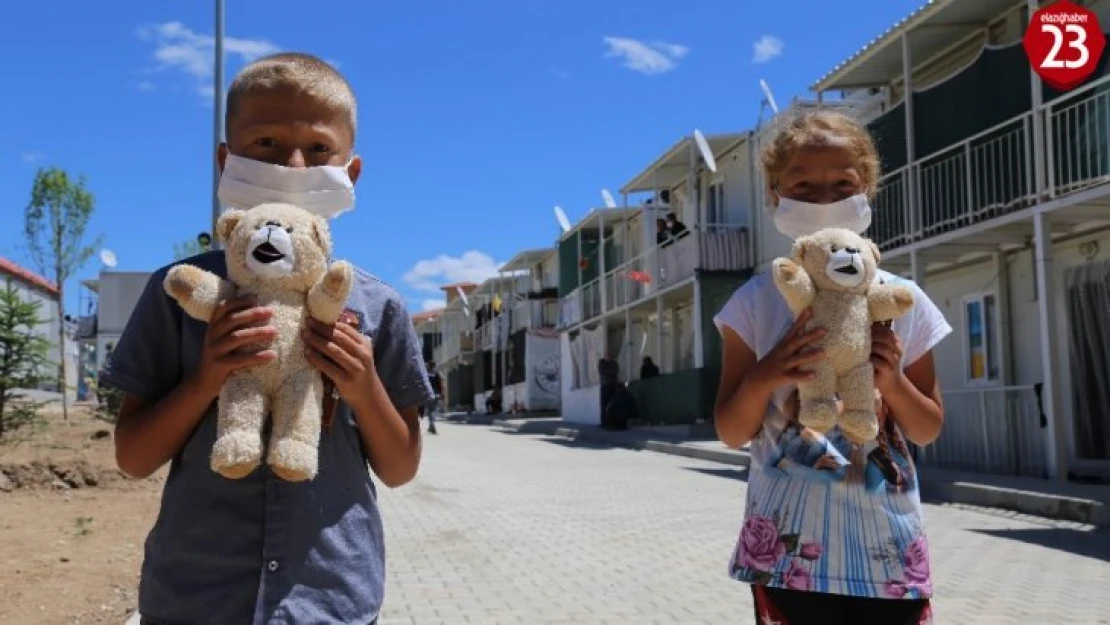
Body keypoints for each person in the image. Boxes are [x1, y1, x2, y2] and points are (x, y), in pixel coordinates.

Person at [102, 53, 434, 624]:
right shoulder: (178, 294)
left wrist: (362, 387)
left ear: (350, 172)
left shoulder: (378, 306)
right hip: (196, 597)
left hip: (329, 598)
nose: (294, 164)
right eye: (268, 144)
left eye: (319, 149)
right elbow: (133, 456)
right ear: (225, 161)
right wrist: (205, 378)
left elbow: (401, 467)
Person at [712, 110, 949, 625]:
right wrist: (767, 373)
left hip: (887, 552)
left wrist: (893, 381)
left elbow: (927, 428)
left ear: (866, 189)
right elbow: (731, 429)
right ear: (775, 194)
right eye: (804, 185)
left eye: (841, 184)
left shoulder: (903, 301)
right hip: (787, 553)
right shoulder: (753, 303)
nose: (824, 199)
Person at [425, 360, 442, 435]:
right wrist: (441, 393)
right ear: (434, 366)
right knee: (434, 410)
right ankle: (432, 425)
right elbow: (439, 384)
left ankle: (431, 426)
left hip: (428, 393)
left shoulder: (425, 374)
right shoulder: (436, 373)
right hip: (435, 393)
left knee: (429, 410)